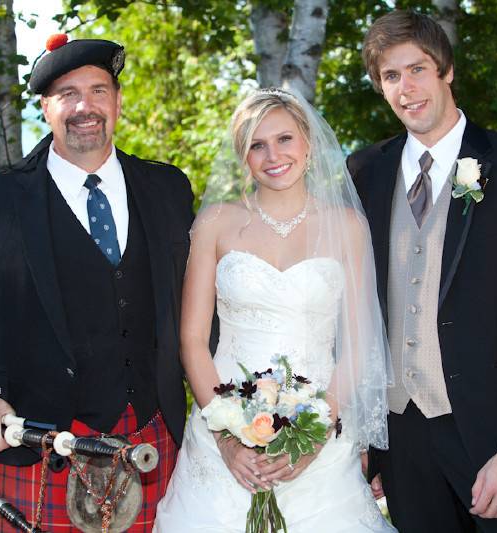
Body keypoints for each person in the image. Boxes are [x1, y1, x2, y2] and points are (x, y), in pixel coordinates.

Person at [0, 36, 194, 532]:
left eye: (98, 89)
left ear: (117, 101)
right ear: (45, 107)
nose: (84, 106)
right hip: (36, 446)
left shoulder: (167, 188)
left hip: (154, 438)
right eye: (67, 93)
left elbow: (203, 307)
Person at [348, 10, 497, 533]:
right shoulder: (364, 173)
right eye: (390, 76)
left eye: (417, 69)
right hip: (400, 440)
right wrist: (364, 438)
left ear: (446, 69)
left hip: (495, 434)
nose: (407, 88)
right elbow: (352, 311)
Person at [153, 88, 395, 532]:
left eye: (284, 139)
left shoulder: (347, 226)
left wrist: (315, 436)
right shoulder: (215, 224)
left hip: (320, 430)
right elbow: (192, 340)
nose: (272, 155)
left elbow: (359, 344)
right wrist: (226, 438)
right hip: (221, 424)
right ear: (243, 156)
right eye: (257, 145)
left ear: (307, 141)